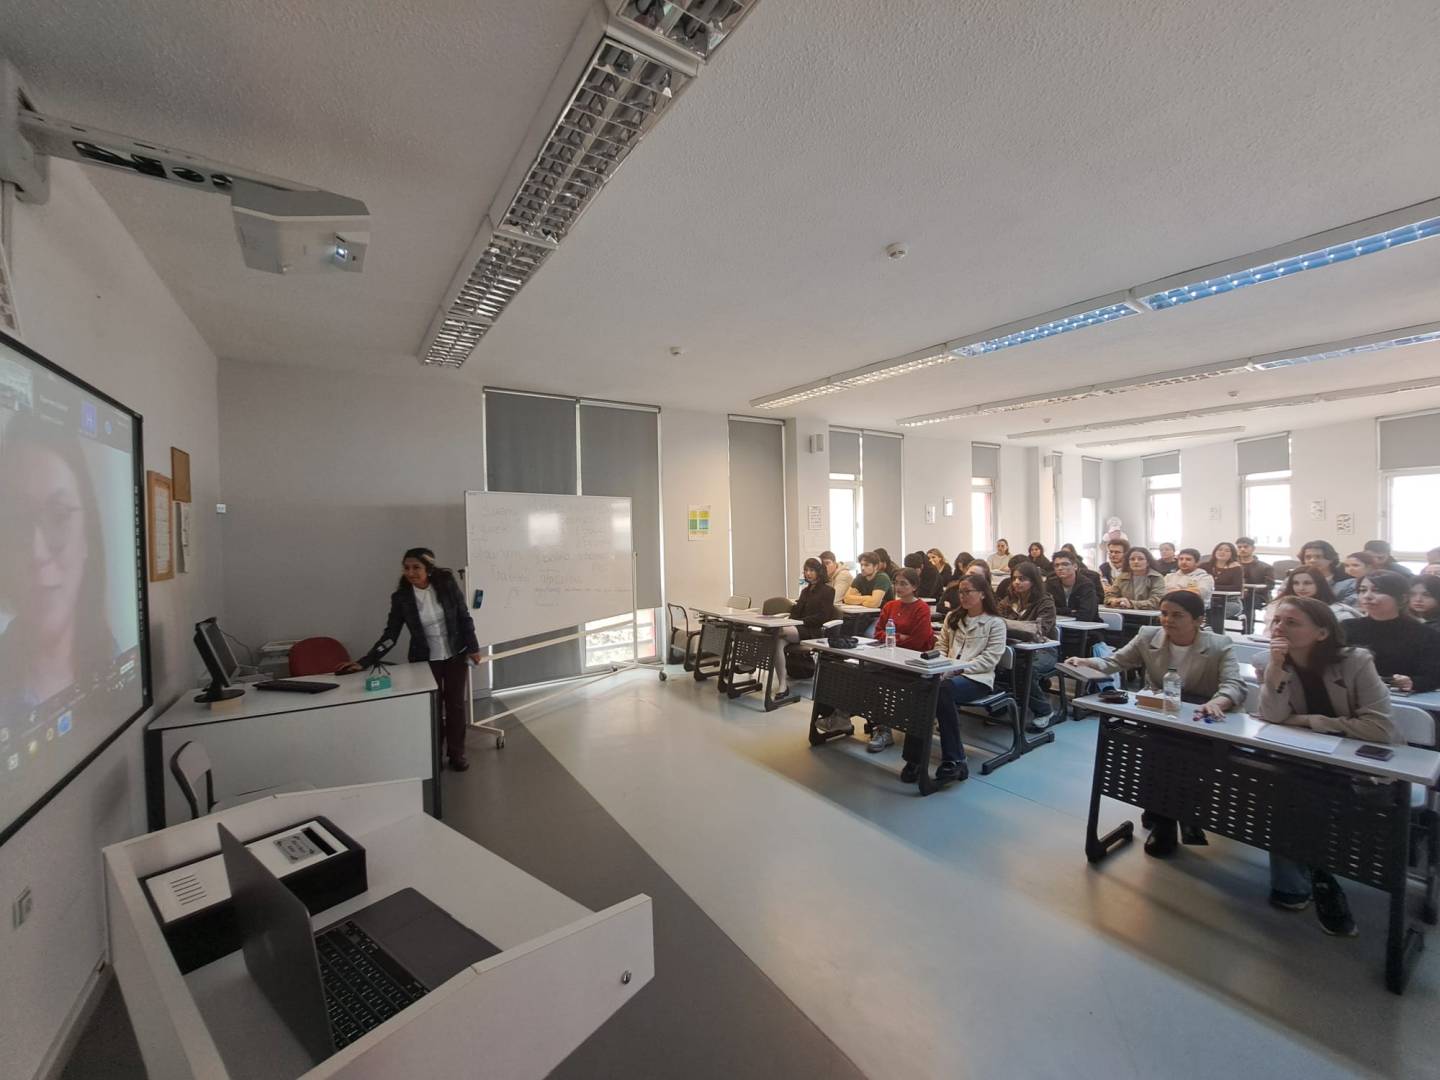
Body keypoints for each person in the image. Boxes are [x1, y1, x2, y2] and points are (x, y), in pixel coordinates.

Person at [1070, 591, 1246, 855]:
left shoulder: (1220, 644)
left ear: (1199, 620)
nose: (1167, 620)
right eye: (1164, 613)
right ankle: (1164, 822)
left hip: (1202, 718)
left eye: (1177, 615)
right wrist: (1086, 661)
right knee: (1156, 759)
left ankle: (1183, 814)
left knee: (1186, 763)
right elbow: (1115, 661)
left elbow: (1234, 685)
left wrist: (1218, 702)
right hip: (1160, 713)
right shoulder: (1148, 635)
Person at [1261, 596, 1398, 935]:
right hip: (1305, 760)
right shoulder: (1273, 661)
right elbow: (1272, 716)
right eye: (1277, 621)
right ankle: (1309, 879)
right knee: (1284, 786)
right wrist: (1276, 667)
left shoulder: (1356, 661)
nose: (1279, 628)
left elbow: (1379, 728)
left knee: (1307, 795)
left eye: (1292, 622)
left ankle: (1314, 877)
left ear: (1322, 633)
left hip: (1356, 764)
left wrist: (1309, 720)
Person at [0, 409, 121, 724]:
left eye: (59, 515)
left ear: (88, 537)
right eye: (17, 520)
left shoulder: (114, 658)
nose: (37, 552)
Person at [341, 547, 481, 770]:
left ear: (429, 569)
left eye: (416, 567)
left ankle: (457, 753)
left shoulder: (446, 586)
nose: (410, 572)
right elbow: (391, 635)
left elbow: (464, 617)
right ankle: (434, 757)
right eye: (406, 568)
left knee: (455, 706)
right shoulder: (402, 598)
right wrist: (365, 661)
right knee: (432, 707)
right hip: (424, 659)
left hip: (455, 654)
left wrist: (473, 647)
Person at [897, 573, 1005, 786]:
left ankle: (955, 760)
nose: (962, 596)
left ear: (983, 594)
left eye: (968, 592)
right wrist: (942, 667)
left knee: (942, 690)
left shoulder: (995, 623)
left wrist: (957, 669)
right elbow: (941, 647)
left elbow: (989, 659)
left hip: (977, 679)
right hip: (947, 674)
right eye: (960, 592)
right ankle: (914, 758)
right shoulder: (953, 617)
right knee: (922, 688)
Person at [867, 568, 935, 752]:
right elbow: (878, 633)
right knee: (864, 674)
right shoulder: (890, 606)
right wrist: (900, 637)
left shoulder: (921, 608)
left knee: (884, 681)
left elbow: (918, 641)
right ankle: (879, 726)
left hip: (911, 661)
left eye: (904, 584)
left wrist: (892, 638)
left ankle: (886, 729)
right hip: (889, 657)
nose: (898, 587)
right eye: (896, 583)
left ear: (914, 586)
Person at [1344, 571, 1440, 692]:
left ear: (1403, 598)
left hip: (1399, 696)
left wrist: (1412, 682)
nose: (1367, 596)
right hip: (1350, 691)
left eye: (1377, 591)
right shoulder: (1347, 627)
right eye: (1362, 590)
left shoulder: (1426, 634)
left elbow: (1433, 676)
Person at [997, 561, 1057, 731]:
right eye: (1014, 578)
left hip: (1043, 650)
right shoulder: (1008, 601)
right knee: (995, 666)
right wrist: (1020, 628)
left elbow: (1039, 631)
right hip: (1015, 649)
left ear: (1033, 581)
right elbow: (995, 625)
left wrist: (1007, 625)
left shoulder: (1045, 602)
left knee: (1025, 670)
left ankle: (1044, 711)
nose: (1017, 582)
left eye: (1022, 579)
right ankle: (1001, 704)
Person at [771, 558, 836, 698]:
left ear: (819, 571)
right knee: (777, 642)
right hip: (798, 628)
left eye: (812, 570)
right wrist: (792, 617)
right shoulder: (805, 591)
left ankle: (753, 662)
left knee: (777, 631)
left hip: (814, 630)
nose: (808, 573)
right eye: (806, 570)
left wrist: (798, 622)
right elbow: (796, 613)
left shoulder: (828, 591)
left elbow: (822, 617)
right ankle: (783, 685)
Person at [1263, 567, 1360, 624]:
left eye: (1307, 583)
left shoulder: (1338, 612)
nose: (1301, 588)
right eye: (1296, 583)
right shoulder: (1277, 607)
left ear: (1319, 584)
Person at [1045, 550, 1099, 622]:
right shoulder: (1050, 583)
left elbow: (1086, 615)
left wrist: (1059, 611)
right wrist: (1069, 611)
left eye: (1065, 564)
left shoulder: (1086, 585)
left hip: (1088, 626)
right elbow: (1046, 609)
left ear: (1075, 566)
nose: (1060, 568)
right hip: (1060, 624)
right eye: (1056, 565)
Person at [1203, 541, 1244, 618]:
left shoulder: (1236, 568)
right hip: (1206, 599)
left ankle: (1213, 625)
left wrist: (1211, 587)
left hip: (1229, 601)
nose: (1222, 552)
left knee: (1217, 610)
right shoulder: (1204, 566)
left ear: (1232, 554)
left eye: (1227, 551)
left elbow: (1237, 588)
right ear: (1215, 551)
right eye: (1220, 549)